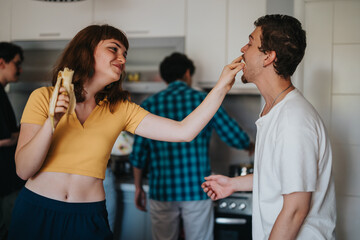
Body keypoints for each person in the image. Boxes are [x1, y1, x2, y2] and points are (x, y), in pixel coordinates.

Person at [7, 24, 245, 239]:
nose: (122, 58)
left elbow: (184, 131)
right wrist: (52, 122)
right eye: (114, 49)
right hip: (37, 210)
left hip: (88, 216)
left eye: (124, 53)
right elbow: (24, 169)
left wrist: (223, 83)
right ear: (86, 51)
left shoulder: (120, 109)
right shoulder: (44, 98)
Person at [202, 15, 336, 240]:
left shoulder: (294, 119)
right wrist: (233, 184)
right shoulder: (273, 110)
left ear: (268, 57)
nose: (243, 49)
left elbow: (295, 210)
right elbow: (278, 177)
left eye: (251, 42)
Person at [129, 52, 253, 240]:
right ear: (187, 73)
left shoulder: (149, 104)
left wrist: (138, 187)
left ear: (164, 77)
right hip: (197, 189)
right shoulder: (204, 100)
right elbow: (231, 133)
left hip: (161, 189)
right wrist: (249, 146)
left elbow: (138, 154)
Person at [0, 42, 25, 239]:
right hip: (5, 184)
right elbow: (3, 139)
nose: (20, 69)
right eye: (17, 63)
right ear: (2, 63)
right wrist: (31, 132)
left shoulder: (2, 92)